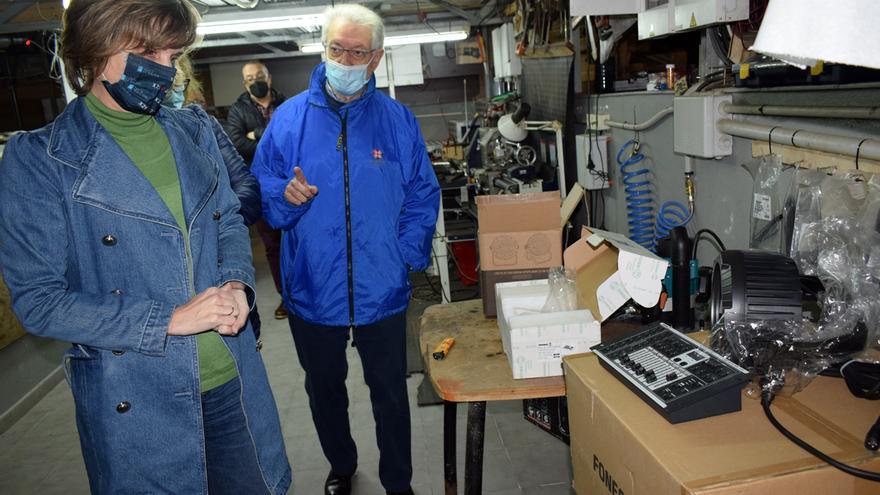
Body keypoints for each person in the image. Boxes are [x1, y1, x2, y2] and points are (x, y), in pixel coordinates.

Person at [0, 1, 290, 493]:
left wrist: (239, 282)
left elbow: (225, 224)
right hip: (137, 394)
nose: (163, 69)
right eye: (144, 51)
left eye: (172, 53)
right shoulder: (41, 159)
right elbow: (40, 301)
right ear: (93, 49)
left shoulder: (193, 130)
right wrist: (169, 320)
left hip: (230, 374)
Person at [251, 4, 440, 495]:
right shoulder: (289, 121)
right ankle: (342, 464)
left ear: (376, 59)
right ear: (324, 50)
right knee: (324, 391)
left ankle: (398, 481)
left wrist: (406, 253)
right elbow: (261, 186)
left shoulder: (397, 121)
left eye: (358, 52)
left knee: (390, 394)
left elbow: (422, 192)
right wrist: (281, 196)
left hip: (381, 285)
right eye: (338, 49)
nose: (346, 59)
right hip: (313, 285)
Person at [164, 55, 266, 339]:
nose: (175, 91)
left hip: (222, 276)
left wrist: (215, 218)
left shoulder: (205, 129)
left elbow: (247, 187)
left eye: (179, 83)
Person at [225, 59, 288, 320]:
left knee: (298, 241)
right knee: (272, 246)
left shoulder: (287, 104)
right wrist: (268, 135)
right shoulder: (238, 111)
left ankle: (308, 292)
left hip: (290, 183)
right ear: (244, 83)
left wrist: (256, 134)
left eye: (258, 75)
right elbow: (237, 143)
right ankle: (285, 297)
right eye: (249, 78)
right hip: (260, 188)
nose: (255, 81)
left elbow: (292, 139)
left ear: (269, 77)